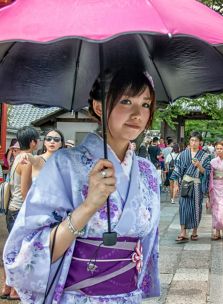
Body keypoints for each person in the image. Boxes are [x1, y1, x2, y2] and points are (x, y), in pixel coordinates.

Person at [3, 69, 160, 303]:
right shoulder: (64, 165)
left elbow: (147, 248)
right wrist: (88, 207)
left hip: (129, 296)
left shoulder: (147, 172)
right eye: (126, 101)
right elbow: (25, 251)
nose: (138, 114)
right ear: (99, 107)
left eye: (146, 104)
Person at [1, 126, 39, 301]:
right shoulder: (27, 161)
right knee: (20, 252)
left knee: (14, 250)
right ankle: (15, 290)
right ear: (32, 142)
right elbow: (25, 192)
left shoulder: (17, 158)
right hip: (18, 210)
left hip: (11, 209)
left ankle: (7, 288)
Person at [170, 131, 211, 242]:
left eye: (196, 140)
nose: (193, 143)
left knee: (196, 208)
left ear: (200, 142)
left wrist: (199, 166)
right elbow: (177, 170)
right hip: (185, 183)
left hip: (197, 185)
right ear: (189, 141)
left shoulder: (206, 156)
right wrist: (176, 185)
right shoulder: (183, 154)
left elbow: (207, 172)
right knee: (183, 207)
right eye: (192, 140)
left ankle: (194, 231)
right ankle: (183, 231)